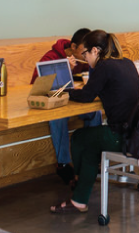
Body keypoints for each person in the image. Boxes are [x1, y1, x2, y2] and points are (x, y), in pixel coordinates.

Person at [50, 30, 139, 214]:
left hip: (121, 136)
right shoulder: (126, 62)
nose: (85, 58)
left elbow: (86, 95)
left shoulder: (104, 66)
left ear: (94, 51)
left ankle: (79, 180)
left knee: (79, 137)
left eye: (85, 54)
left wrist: (66, 92)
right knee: (91, 143)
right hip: (138, 133)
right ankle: (80, 196)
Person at [30, 28, 101, 186]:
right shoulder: (51, 57)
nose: (85, 55)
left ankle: (90, 159)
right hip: (54, 101)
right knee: (57, 117)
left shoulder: (84, 59)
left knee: (95, 112)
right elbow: (36, 85)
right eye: (84, 51)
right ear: (73, 46)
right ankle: (63, 164)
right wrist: (63, 69)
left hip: (75, 99)